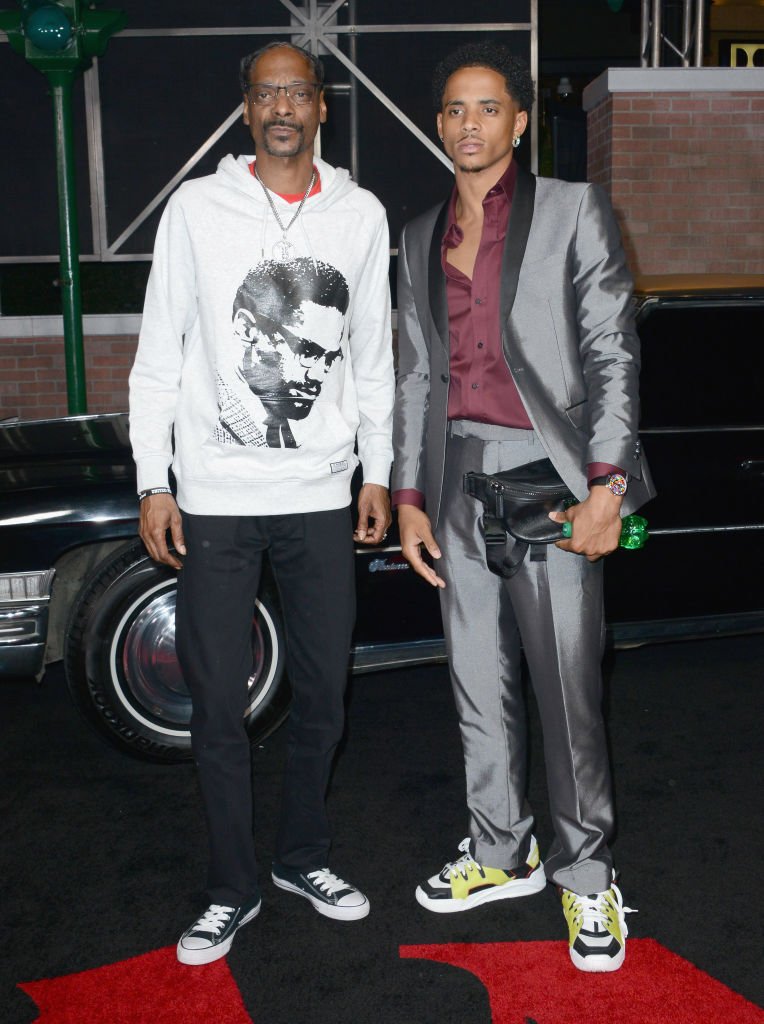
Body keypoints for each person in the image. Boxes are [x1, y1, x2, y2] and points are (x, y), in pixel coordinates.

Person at [129, 40, 394, 966]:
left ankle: (302, 857)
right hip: (214, 496)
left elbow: (372, 360)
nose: (283, 106)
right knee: (216, 704)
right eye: (266, 92)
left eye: (299, 92)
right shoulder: (198, 210)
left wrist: (378, 471)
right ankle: (232, 887)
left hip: (322, 494)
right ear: (247, 108)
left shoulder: (360, 214)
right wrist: (153, 481)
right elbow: (160, 351)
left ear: (321, 107)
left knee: (325, 688)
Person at [392, 42, 655, 973]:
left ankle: (588, 881)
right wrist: (411, 495)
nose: (469, 124)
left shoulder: (574, 211)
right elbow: (417, 374)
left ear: (517, 121)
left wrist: (608, 485)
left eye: (486, 108)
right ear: (440, 126)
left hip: (553, 479)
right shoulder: (419, 234)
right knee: (477, 684)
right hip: (458, 475)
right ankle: (501, 849)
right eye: (454, 110)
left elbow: (613, 353)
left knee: (567, 693)